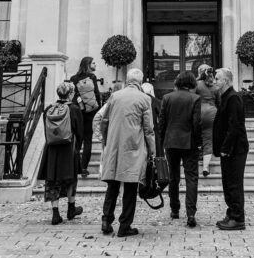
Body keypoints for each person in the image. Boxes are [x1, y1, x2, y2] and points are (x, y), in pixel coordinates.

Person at [99, 68, 156, 238]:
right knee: (130, 187)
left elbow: (104, 120)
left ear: (127, 79)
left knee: (113, 186)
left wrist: (105, 141)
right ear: (140, 81)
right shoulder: (145, 98)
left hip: (114, 146)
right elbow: (148, 129)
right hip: (133, 147)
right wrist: (152, 150)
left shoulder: (115, 96)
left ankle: (106, 220)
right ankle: (125, 225)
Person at [158, 70, 201, 227]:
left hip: (171, 142)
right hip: (189, 142)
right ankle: (190, 213)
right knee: (191, 177)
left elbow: (161, 122)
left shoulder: (167, 98)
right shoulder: (195, 98)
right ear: (191, 83)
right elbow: (197, 123)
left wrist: (161, 142)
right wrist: (198, 142)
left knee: (173, 177)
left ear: (177, 82)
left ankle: (175, 209)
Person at [37, 82, 83, 225]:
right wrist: (78, 147)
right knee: (71, 178)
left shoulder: (49, 109)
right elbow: (80, 132)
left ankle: (55, 213)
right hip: (69, 148)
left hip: (52, 149)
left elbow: (46, 130)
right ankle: (71, 208)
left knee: (53, 180)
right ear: (70, 94)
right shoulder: (74, 109)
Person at [212, 67, 248, 231]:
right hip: (228, 149)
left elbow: (235, 126)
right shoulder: (225, 96)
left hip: (235, 149)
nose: (214, 81)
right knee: (228, 183)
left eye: (217, 78)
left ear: (226, 81)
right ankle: (231, 213)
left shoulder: (233, 98)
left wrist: (226, 148)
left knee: (234, 184)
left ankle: (238, 218)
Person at [70, 56, 103, 176]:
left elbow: (73, 96)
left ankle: (75, 166)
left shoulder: (74, 78)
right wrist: (98, 109)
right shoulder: (92, 77)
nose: (95, 65)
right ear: (88, 64)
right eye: (93, 63)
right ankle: (84, 168)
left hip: (78, 112)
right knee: (88, 140)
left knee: (78, 140)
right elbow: (97, 94)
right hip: (90, 113)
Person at [195, 65, 219, 176]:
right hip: (212, 112)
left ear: (200, 72)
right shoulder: (215, 86)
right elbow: (219, 101)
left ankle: (198, 153)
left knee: (196, 134)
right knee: (208, 138)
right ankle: (205, 167)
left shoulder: (197, 84)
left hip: (199, 112)